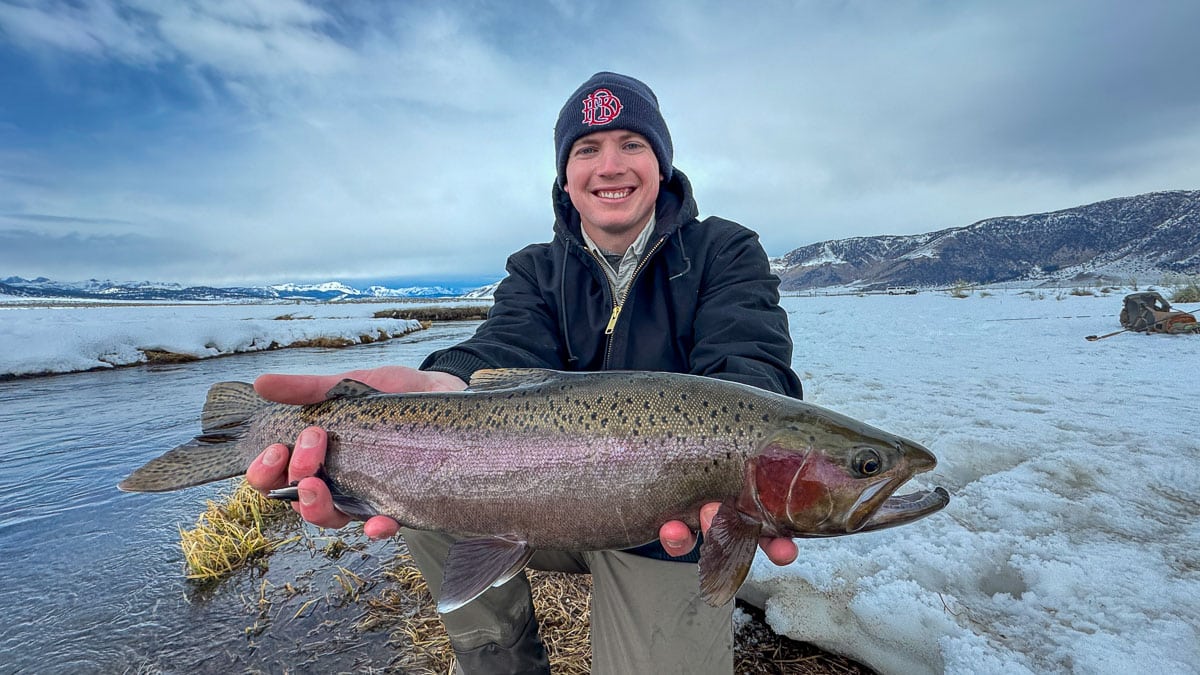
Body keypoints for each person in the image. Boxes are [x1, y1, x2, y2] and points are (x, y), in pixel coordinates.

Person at [247, 71, 804, 674]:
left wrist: (755, 462)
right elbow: (503, 346)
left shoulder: (723, 250)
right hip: (537, 498)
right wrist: (448, 380)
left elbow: (747, 366)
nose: (609, 165)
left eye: (631, 144)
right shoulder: (537, 269)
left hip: (672, 522)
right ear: (565, 176)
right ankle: (500, 660)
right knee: (423, 490)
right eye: (587, 149)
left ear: (662, 164)